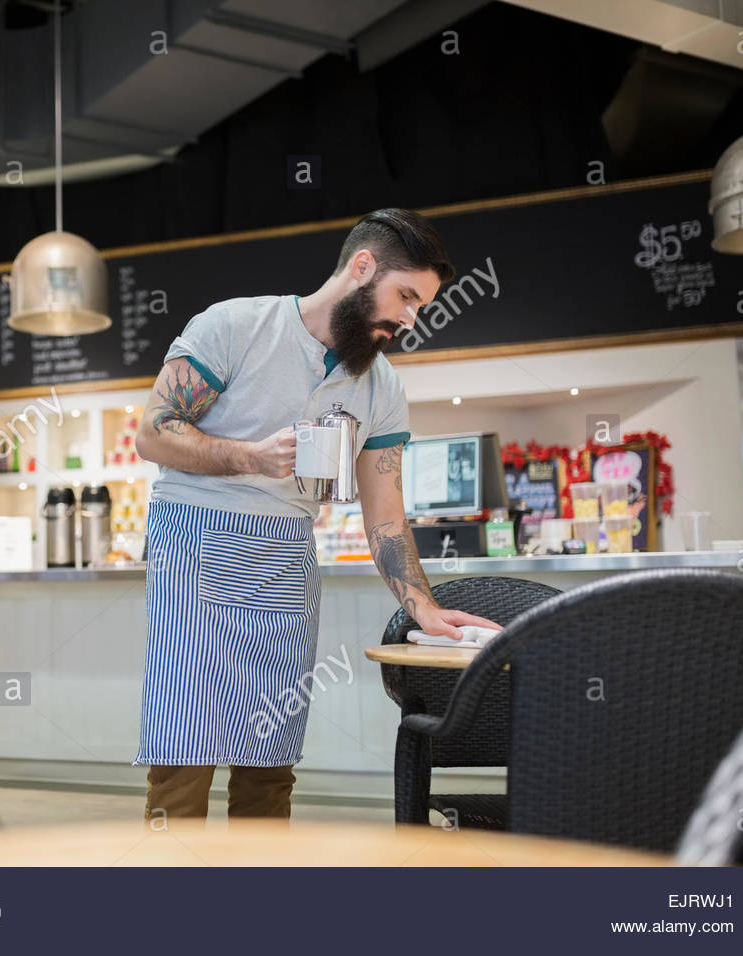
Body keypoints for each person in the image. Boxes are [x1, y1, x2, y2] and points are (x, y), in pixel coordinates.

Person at [132, 208, 501, 823]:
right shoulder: (235, 326)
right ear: (362, 268)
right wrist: (251, 456)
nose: (410, 320)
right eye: (405, 296)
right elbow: (153, 434)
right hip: (195, 546)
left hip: (286, 559)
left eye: (420, 307)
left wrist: (424, 608)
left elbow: (386, 519)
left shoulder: (382, 388)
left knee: (270, 759)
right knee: (183, 751)